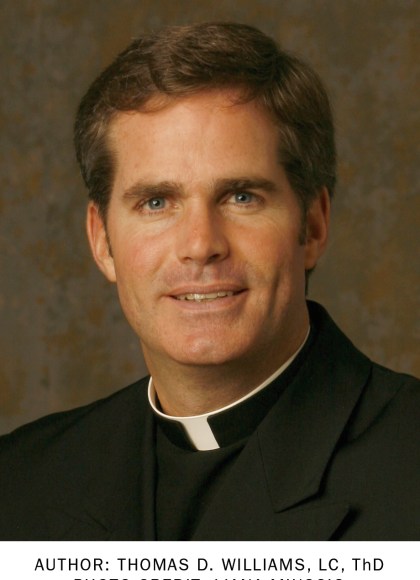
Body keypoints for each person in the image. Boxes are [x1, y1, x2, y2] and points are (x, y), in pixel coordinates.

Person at [0, 22, 418, 541]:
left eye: (241, 197)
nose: (200, 244)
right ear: (102, 240)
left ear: (312, 226)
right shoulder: (18, 482)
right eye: (156, 202)